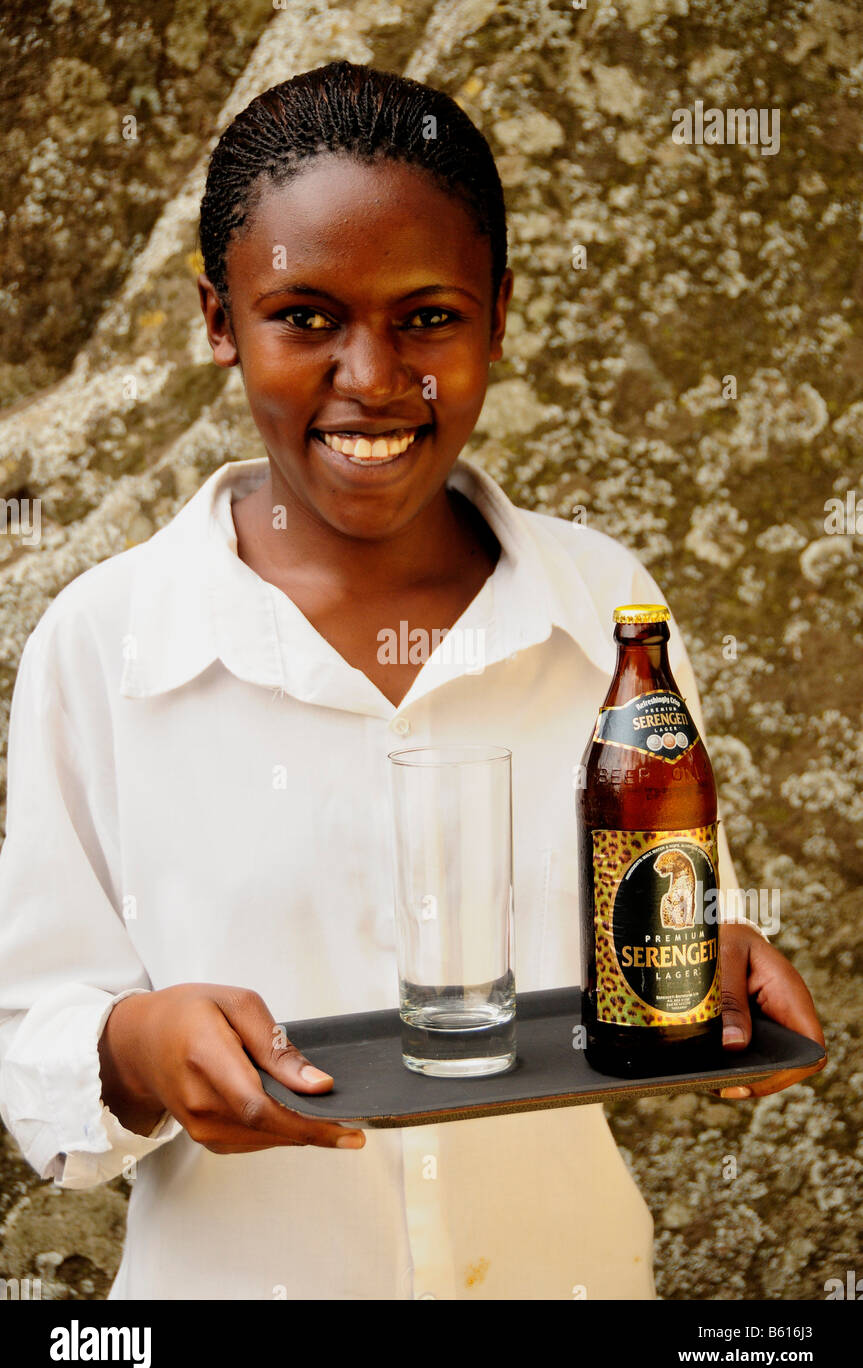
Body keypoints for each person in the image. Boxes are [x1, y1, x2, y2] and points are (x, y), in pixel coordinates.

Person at [0, 61, 825, 1301]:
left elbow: (649, 906)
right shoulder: (105, 642)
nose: (373, 377)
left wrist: (710, 966)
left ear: (497, 312)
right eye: (305, 315)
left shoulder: (607, 612)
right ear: (220, 319)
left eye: (427, 316)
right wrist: (132, 1044)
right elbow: (36, 1049)